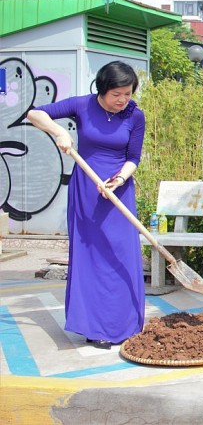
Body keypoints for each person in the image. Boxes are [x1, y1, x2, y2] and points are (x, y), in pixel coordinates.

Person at [26, 61, 146, 350]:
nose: (123, 100)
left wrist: (118, 179)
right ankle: (95, 327)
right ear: (102, 89)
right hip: (86, 190)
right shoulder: (82, 105)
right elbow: (34, 113)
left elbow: (134, 157)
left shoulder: (135, 115)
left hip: (118, 190)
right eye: (117, 94)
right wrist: (59, 132)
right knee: (91, 256)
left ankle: (126, 324)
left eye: (128, 94)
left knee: (122, 254)